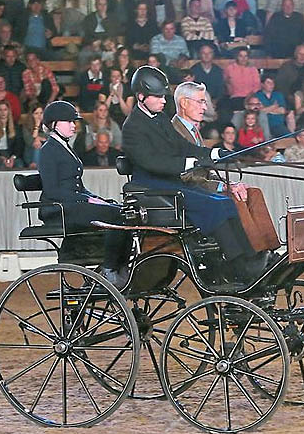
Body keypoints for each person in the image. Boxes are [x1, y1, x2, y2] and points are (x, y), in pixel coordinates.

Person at [123, 66, 271, 285]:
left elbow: (182, 146)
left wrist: (214, 153)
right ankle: (237, 266)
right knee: (215, 206)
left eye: (164, 96)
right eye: (158, 96)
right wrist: (191, 163)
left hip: (170, 182)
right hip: (153, 186)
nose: (164, 101)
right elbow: (152, 162)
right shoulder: (133, 126)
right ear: (141, 96)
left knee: (225, 202)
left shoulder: (160, 118)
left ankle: (250, 257)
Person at [37, 101, 131, 285]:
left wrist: (95, 198)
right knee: (114, 215)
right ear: (54, 124)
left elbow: (78, 186)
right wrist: (85, 200)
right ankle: (109, 268)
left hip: (72, 203)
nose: (74, 125)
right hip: (58, 208)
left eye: (74, 122)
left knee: (120, 210)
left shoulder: (65, 147)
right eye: (69, 122)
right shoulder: (48, 150)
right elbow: (53, 190)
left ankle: (121, 265)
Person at [0, 100, 24, 169]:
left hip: (11, 154)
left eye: (5, 110)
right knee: (1, 166)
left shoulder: (16, 127)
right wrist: (2, 158)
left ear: (8, 111)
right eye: (0, 110)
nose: (3, 112)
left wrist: (13, 158)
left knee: (19, 165)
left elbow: (19, 145)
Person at [223, 48, 261, 116]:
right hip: (235, 97)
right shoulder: (230, 68)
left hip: (250, 97)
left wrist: (249, 97)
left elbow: (257, 86)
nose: (243, 58)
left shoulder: (253, 69)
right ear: (237, 57)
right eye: (241, 56)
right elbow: (226, 82)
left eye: (245, 56)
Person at [21, 103, 46, 168]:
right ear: (31, 115)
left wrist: (38, 138)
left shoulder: (48, 126)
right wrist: (37, 126)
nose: (39, 116)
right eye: (36, 113)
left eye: (41, 113)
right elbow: (30, 141)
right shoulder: (26, 126)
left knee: (38, 144)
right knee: (37, 145)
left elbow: (50, 139)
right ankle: (34, 165)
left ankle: (35, 165)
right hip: (30, 152)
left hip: (45, 152)